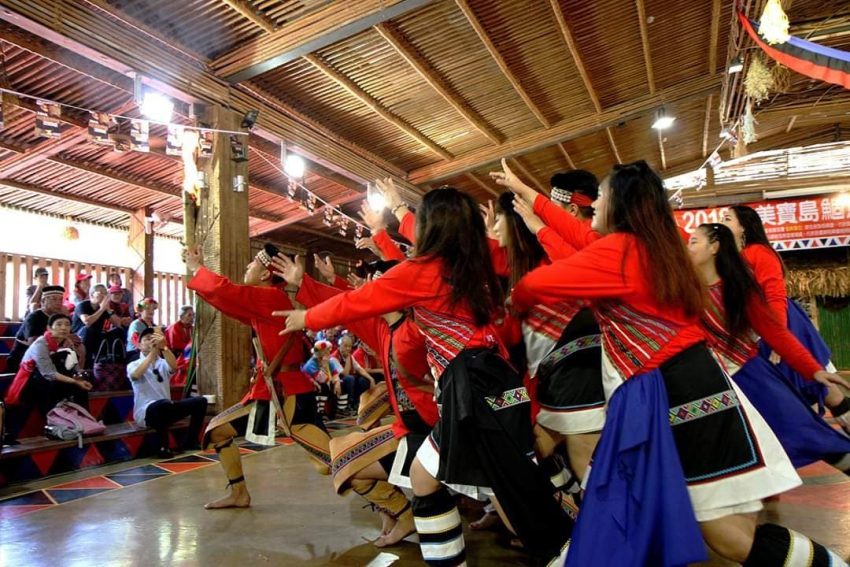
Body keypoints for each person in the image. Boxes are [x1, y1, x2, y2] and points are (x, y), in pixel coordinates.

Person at [496, 159, 846, 566]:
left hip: (680, 396)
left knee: (727, 536)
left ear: (621, 206)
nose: (594, 207)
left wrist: (515, 302)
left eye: (603, 198)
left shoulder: (621, 251)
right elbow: (574, 236)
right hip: (688, 389)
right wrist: (529, 195)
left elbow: (538, 283)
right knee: (706, 528)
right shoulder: (659, 247)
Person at [274, 187, 573, 566]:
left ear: (430, 228)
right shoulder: (479, 261)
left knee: (520, 503)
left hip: (471, 393)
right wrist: (394, 222)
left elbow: (359, 300)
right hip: (496, 386)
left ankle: (573, 553)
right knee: (430, 477)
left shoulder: (421, 272)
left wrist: (306, 317)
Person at [273, 253, 435, 547]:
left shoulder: (420, 330)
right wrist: (304, 283)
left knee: (348, 461)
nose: (370, 287)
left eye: (379, 283)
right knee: (344, 457)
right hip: (407, 427)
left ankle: (404, 513)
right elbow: (348, 307)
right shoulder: (383, 327)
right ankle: (396, 511)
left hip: (434, 434)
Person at [689, 223, 850, 474]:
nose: (688, 248)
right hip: (718, 385)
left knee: (803, 433)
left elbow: (775, 333)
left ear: (714, 247)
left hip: (752, 376)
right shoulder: (684, 292)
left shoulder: (739, 289)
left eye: (694, 242)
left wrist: (814, 370)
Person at [185, 243, 325, 510]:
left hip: (285, 394)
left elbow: (226, 292)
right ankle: (239, 493)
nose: (247, 267)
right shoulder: (266, 301)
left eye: (252, 264)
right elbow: (228, 301)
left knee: (330, 461)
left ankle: (394, 506)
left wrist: (196, 269)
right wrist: (200, 278)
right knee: (218, 431)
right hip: (279, 391)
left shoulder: (270, 297)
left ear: (263, 275)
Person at [723, 205, 850, 434]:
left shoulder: (758, 252)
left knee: (817, 385)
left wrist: (778, 338)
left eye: (728, 218)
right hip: (764, 330)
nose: (722, 222)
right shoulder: (736, 258)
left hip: (781, 324)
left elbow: (774, 295)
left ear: (743, 227)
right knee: (806, 387)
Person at [3, 313, 93, 443]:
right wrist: (74, 381)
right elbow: (48, 373)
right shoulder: (40, 344)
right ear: (49, 328)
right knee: (45, 387)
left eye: (67, 325)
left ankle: (85, 423)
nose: (63, 328)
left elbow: (74, 367)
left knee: (81, 387)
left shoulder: (68, 343)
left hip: (54, 382)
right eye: (59, 325)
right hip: (30, 382)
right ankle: (14, 434)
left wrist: (79, 377)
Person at [128, 326, 207, 458]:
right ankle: (162, 447)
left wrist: (164, 347)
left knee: (201, 401)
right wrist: (152, 354)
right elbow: (136, 375)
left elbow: (174, 367)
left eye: (153, 338)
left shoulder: (163, 362)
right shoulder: (133, 364)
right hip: (146, 413)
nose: (151, 341)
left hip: (166, 408)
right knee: (160, 405)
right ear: (140, 346)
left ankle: (191, 441)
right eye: (147, 339)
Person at [6, 286, 67, 373]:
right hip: (24, 358)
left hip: (46, 356)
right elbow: (34, 343)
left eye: (60, 300)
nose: (58, 303)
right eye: (54, 299)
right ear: (43, 301)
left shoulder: (58, 318)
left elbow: (69, 337)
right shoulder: (34, 317)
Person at [73, 284, 125, 368]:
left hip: (98, 335)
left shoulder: (104, 308)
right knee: (89, 329)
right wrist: (101, 309)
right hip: (80, 336)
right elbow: (87, 321)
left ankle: (114, 363)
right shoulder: (83, 305)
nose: (104, 296)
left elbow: (118, 323)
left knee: (118, 331)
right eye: (100, 293)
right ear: (92, 295)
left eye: (105, 293)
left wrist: (107, 309)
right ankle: (87, 363)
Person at [301, 340, 345, 419]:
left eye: (328, 350)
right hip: (312, 385)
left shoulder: (329, 360)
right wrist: (324, 366)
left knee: (341, 383)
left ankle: (340, 409)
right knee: (324, 386)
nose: (329, 352)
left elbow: (335, 374)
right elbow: (322, 379)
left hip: (325, 382)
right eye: (326, 350)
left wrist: (337, 382)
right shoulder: (311, 364)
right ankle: (320, 412)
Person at [334, 334, 375, 414]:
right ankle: (349, 404)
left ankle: (358, 403)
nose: (348, 348)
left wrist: (371, 379)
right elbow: (345, 373)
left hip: (348, 380)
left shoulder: (350, 356)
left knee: (363, 380)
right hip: (337, 380)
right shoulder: (334, 357)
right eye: (345, 346)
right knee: (350, 378)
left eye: (350, 346)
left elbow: (359, 368)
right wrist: (348, 357)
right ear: (339, 345)